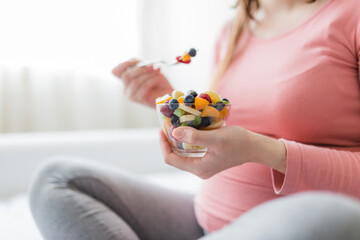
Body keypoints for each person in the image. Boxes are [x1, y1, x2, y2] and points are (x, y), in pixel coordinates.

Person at [29, 0, 360, 239]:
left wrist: (262, 150)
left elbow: (250, 143)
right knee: (57, 179)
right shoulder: (235, 30)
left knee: (331, 217)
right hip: (207, 219)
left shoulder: (350, 15)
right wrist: (175, 105)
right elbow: (227, 136)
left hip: (295, 224)